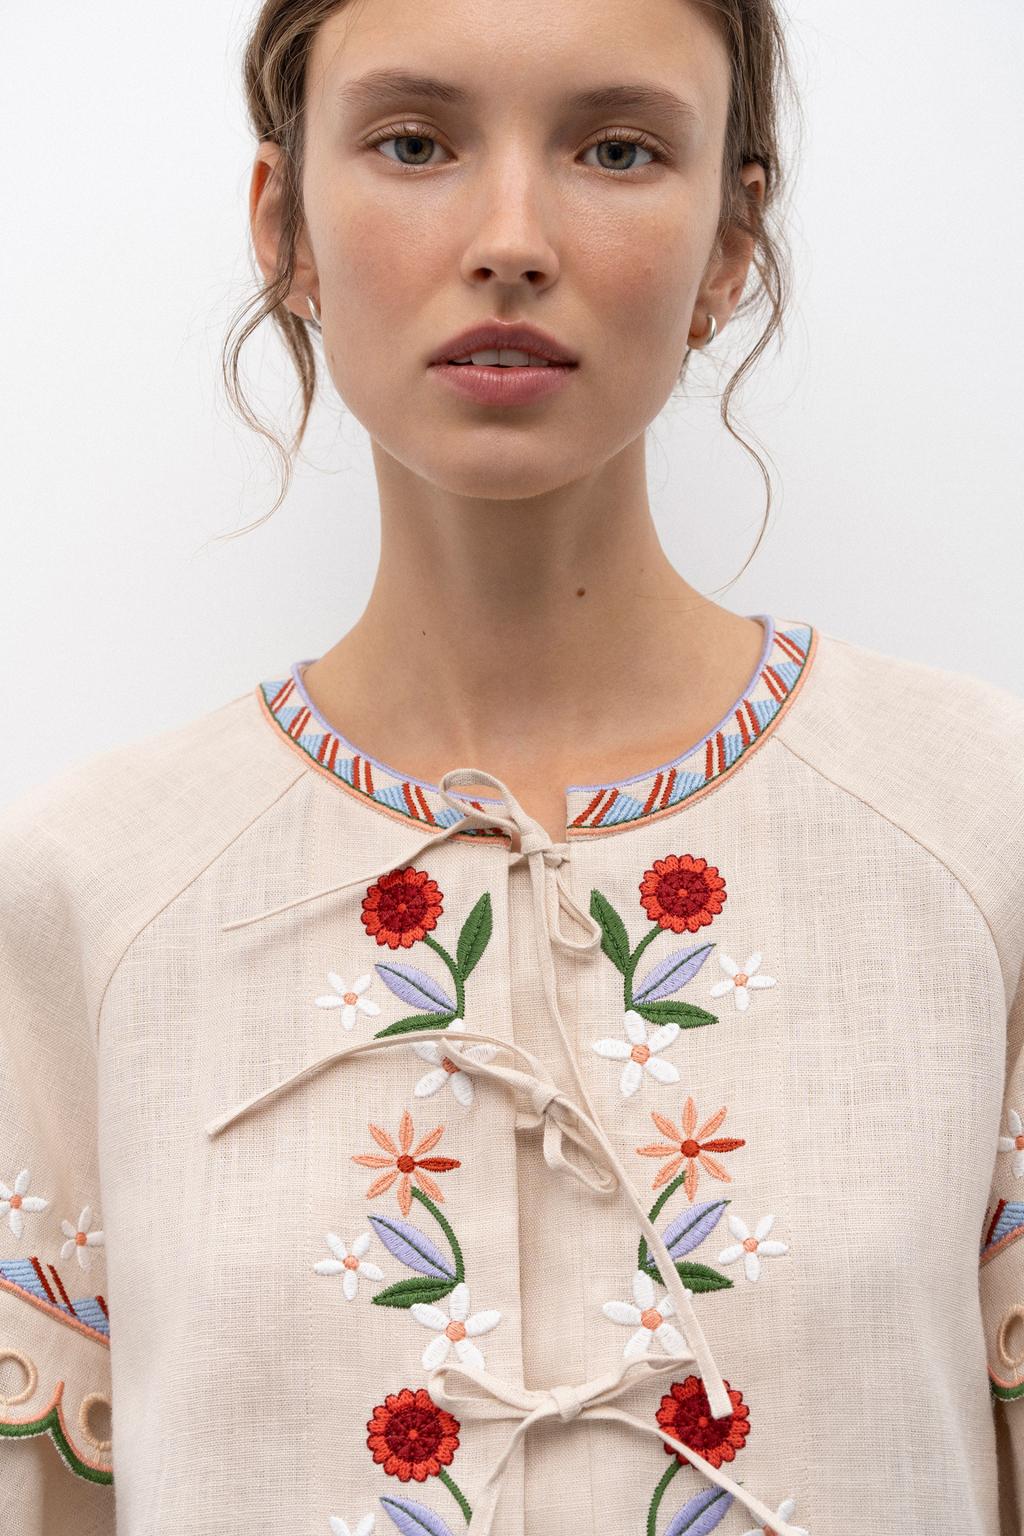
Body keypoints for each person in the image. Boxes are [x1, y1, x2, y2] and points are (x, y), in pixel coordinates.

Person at [1, 0, 1022, 1531]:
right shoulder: (87, 893)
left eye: (617, 148)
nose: (511, 236)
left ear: (732, 235)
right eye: (414, 142)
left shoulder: (981, 826)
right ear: (285, 223)